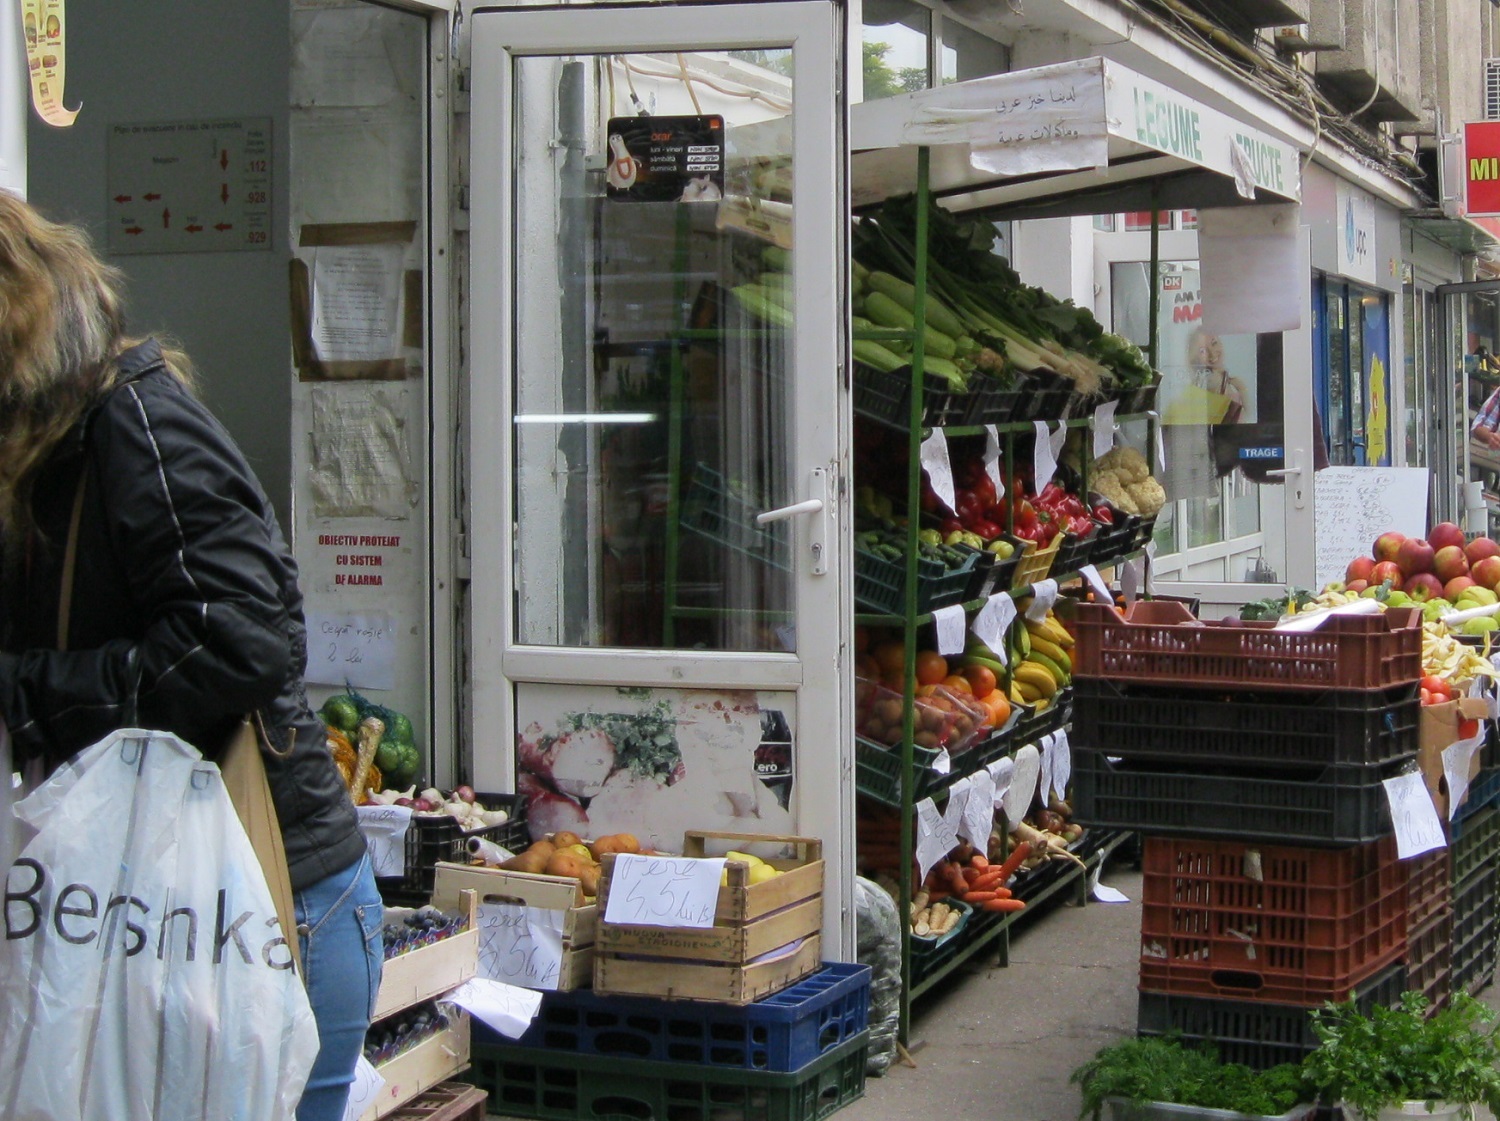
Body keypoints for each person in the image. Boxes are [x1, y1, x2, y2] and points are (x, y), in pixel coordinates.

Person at [0, 192, 379, 1121]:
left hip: (263, 906)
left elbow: (242, 642)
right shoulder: (56, 449)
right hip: (149, 912)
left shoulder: (135, 426)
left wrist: (28, 693)